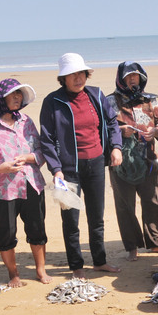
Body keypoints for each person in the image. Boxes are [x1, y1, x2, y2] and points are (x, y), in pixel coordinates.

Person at [39, 52, 123, 278]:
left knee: (97, 217)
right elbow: (46, 138)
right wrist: (56, 170)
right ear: (63, 78)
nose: (78, 78)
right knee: (71, 220)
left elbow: (112, 122)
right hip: (67, 171)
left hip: (96, 164)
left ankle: (99, 261)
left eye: (81, 74)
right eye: (72, 75)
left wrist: (116, 147)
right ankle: (76, 266)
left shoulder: (96, 95)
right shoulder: (52, 102)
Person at [0, 78, 51, 287]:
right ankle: (13, 273)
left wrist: (28, 158)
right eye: (12, 94)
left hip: (31, 184)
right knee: (6, 232)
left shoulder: (26, 121)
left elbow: (42, 152)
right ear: (1, 97)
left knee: (37, 229)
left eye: (20, 95)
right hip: (2, 189)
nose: (17, 98)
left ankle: (40, 270)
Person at [107, 61, 158, 260]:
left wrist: (157, 131)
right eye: (128, 76)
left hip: (148, 159)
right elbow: (103, 129)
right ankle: (131, 247)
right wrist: (119, 131)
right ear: (121, 79)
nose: (133, 79)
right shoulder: (110, 101)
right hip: (120, 162)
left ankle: (156, 243)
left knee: (153, 202)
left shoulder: (150, 100)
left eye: (136, 76)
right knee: (125, 205)